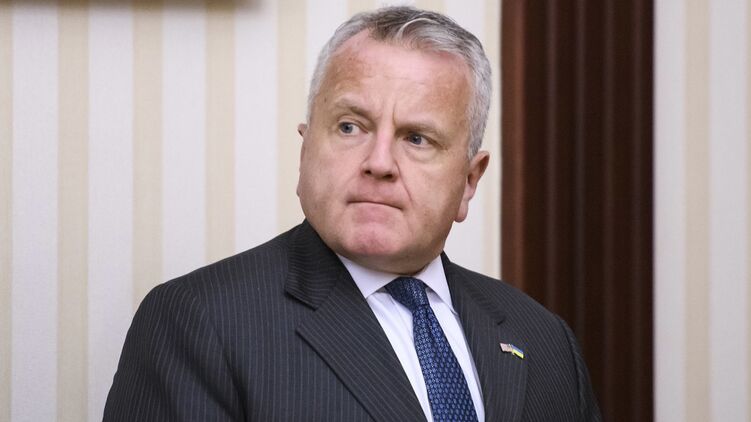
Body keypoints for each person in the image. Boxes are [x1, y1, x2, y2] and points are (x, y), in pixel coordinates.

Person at [104, 6, 601, 422]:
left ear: (469, 181)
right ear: (305, 151)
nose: (379, 162)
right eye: (350, 127)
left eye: (416, 138)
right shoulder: (199, 323)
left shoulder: (544, 339)